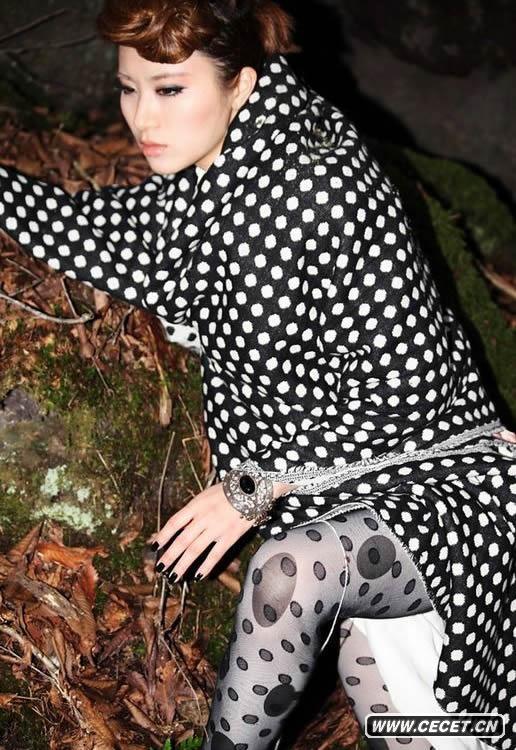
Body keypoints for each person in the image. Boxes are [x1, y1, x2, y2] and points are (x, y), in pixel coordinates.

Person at [0, 2, 514, 749]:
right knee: (411, 727)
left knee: (288, 574)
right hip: (343, 509)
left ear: (240, 84)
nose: (143, 117)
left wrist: (255, 486)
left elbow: (410, 391)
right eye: (128, 89)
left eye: (170, 89)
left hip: (442, 499)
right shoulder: (211, 179)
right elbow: (104, 231)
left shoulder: (322, 185)